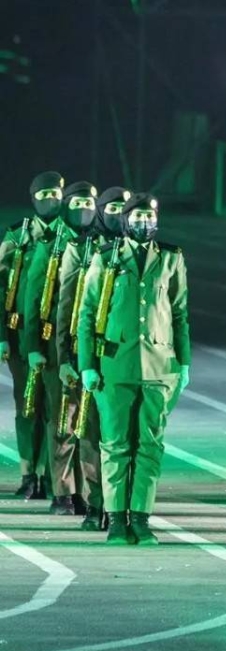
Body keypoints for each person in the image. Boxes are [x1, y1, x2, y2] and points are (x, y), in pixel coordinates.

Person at [78, 193, 191, 545]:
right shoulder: (106, 258)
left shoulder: (171, 258)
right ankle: (116, 518)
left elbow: (179, 313)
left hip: (159, 367)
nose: (144, 223)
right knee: (115, 444)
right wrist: (87, 365)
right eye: (137, 217)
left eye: (149, 217)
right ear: (126, 221)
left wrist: (184, 362)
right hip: (115, 365)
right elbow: (86, 314)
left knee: (150, 444)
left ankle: (141, 518)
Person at [21, 180, 101, 516]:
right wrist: (33, 347)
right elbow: (34, 300)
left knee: (90, 424)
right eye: (77, 204)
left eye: (89, 204)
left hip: (93, 347)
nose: (83, 210)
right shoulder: (51, 246)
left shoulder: (102, 245)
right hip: (58, 346)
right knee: (63, 421)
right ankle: (63, 491)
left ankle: (88, 492)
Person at [2, 171, 63, 502]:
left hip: (56, 339)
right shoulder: (18, 237)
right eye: (44, 195)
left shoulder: (70, 237)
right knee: (27, 407)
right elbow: (1, 289)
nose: (50, 200)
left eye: (55, 194)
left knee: (55, 409)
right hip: (21, 337)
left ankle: (51, 476)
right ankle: (28, 474)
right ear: (33, 198)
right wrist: (1, 336)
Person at [53, 182, 107, 529]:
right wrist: (63, 357)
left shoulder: (117, 249)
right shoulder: (77, 250)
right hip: (77, 350)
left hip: (115, 356)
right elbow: (66, 306)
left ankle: (109, 502)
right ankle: (68, 492)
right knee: (70, 426)